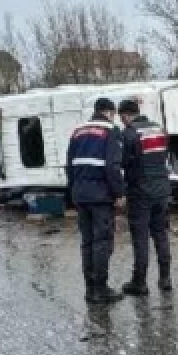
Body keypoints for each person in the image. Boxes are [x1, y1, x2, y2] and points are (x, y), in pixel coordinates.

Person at [66, 97, 125, 304]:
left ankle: (90, 289)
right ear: (109, 112)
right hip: (101, 195)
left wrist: (71, 192)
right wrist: (118, 193)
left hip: (80, 193)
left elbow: (69, 165)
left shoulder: (77, 131)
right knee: (102, 242)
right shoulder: (111, 131)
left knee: (87, 241)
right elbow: (112, 167)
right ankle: (101, 289)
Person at [117, 99, 172, 295]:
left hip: (140, 191)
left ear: (124, 115)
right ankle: (165, 278)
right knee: (160, 234)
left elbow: (123, 162)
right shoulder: (159, 130)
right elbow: (164, 156)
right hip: (162, 189)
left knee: (140, 237)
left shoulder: (129, 134)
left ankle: (139, 282)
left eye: (121, 117)